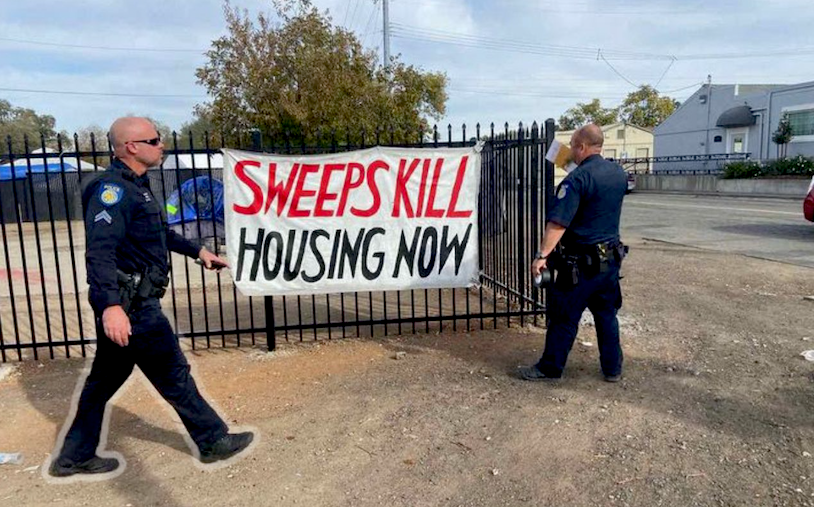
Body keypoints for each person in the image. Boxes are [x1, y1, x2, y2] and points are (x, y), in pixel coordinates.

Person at [49, 117, 253, 478]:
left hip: (131, 304)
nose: (162, 146)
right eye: (155, 140)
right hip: (133, 307)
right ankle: (212, 440)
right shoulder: (113, 191)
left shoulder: (137, 187)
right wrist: (111, 307)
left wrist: (198, 251)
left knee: (101, 383)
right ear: (131, 147)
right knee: (174, 373)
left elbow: (160, 234)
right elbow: (100, 252)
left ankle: (74, 456)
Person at [519, 123, 627, 383]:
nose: (569, 150)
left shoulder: (576, 180)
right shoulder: (618, 173)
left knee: (563, 318)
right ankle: (612, 369)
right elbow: (595, 189)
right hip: (609, 261)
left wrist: (542, 255)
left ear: (581, 146)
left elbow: (558, 223)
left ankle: (550, 368)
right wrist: (575, 165)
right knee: (606, 315)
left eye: (573, 146)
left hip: (580, 265)